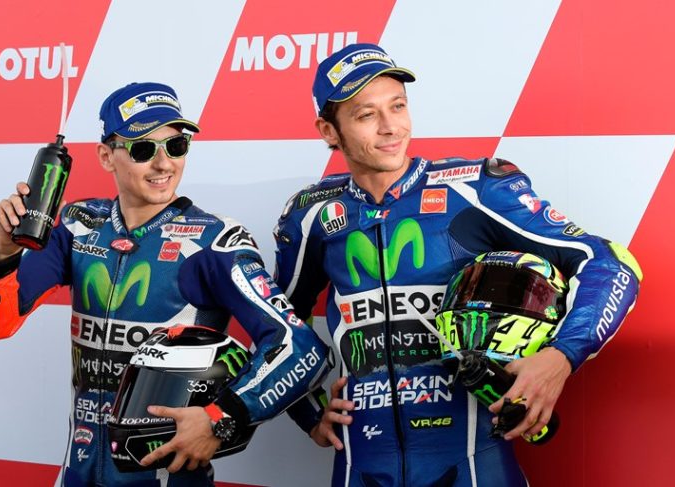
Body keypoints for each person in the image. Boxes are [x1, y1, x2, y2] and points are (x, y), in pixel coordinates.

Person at [273, 43, 642, 486]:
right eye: (367, 115)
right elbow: (279, 325)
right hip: (360, 462)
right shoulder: (311, 214)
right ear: (329, 131)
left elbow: (610, 263)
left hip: (474, 461)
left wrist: (560, 357)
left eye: (398, 106)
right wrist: (309, 412)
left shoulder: (472, 189)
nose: (391, 127)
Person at [0, 81, 332, 486]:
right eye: (144, 149)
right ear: (106, 157)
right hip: (79, 471)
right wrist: (4, 254)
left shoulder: (213, 241)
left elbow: (300, 347)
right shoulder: (78, 227)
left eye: (176, 146)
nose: (164, 164)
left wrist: (222, 417)